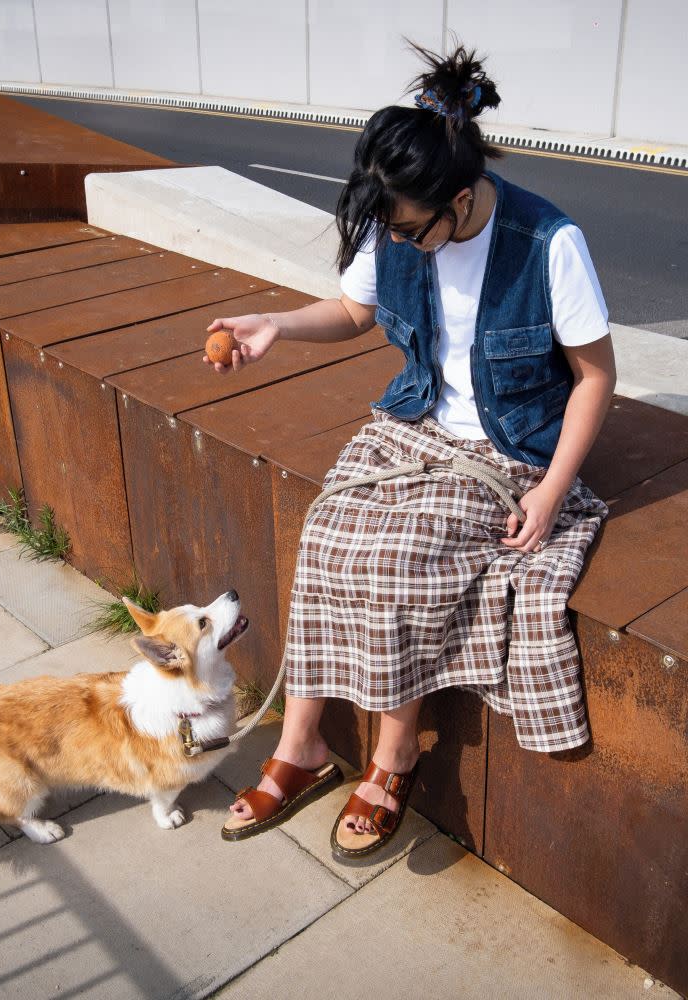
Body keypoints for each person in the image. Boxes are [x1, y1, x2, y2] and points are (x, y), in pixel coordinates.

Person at [203, 43, 615, 860]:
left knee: (397, 555)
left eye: (410, 230)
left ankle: (395, 758)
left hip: (509, 449)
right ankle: (302, 746)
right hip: (413, 421)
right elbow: (354, 314)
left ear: (459, 199)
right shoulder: (400, 219)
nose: (398, 243)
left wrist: (553, 489)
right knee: (325, 532)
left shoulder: (547, 243)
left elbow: (596, 376)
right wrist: (276, 326)